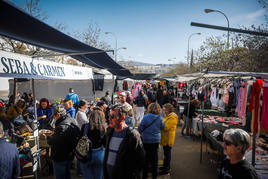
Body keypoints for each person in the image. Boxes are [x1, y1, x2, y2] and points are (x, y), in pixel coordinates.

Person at [103, 104, 145, 179]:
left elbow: (140, 160)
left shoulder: (133, 135)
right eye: (109, 116)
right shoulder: (109, 132)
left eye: (112, 116)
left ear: (122, 118)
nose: (109, 119)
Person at [46, 105, 80, 179]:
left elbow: (54, 142)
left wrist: (48, 138)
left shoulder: (61, 126)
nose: (54, 118)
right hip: (70, 154)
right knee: (67, 174)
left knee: (61, 176)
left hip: (60, 157)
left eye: (54, 116)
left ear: (58, 115)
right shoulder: (73, 120)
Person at [138, 102, 165, 179]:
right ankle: (154, 175)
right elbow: (163, 127)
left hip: (146, 140)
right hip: (155, 140)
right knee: (154, 158)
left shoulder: (146, 117)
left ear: (149, 108)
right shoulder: (159, 118)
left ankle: (144, 175)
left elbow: (140, 128)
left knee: (146, 157)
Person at [80, 109, 106, 179]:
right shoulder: (103, 128)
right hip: (99, 154)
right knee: (98, 176)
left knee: (86, 175)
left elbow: (80, 139)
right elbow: (105, 144)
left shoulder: (85, 126)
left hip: (86, 154)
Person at [159, 103, 178, 175]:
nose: (164, 111)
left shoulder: (172, 117)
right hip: (165, 138)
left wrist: (160, 124)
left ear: (168, 110)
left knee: (167, 155)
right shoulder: (167, 116)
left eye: (165, 110)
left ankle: (166, 169)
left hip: (168, 139)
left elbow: (166, 127)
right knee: (166, 154)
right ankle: (165, 166)